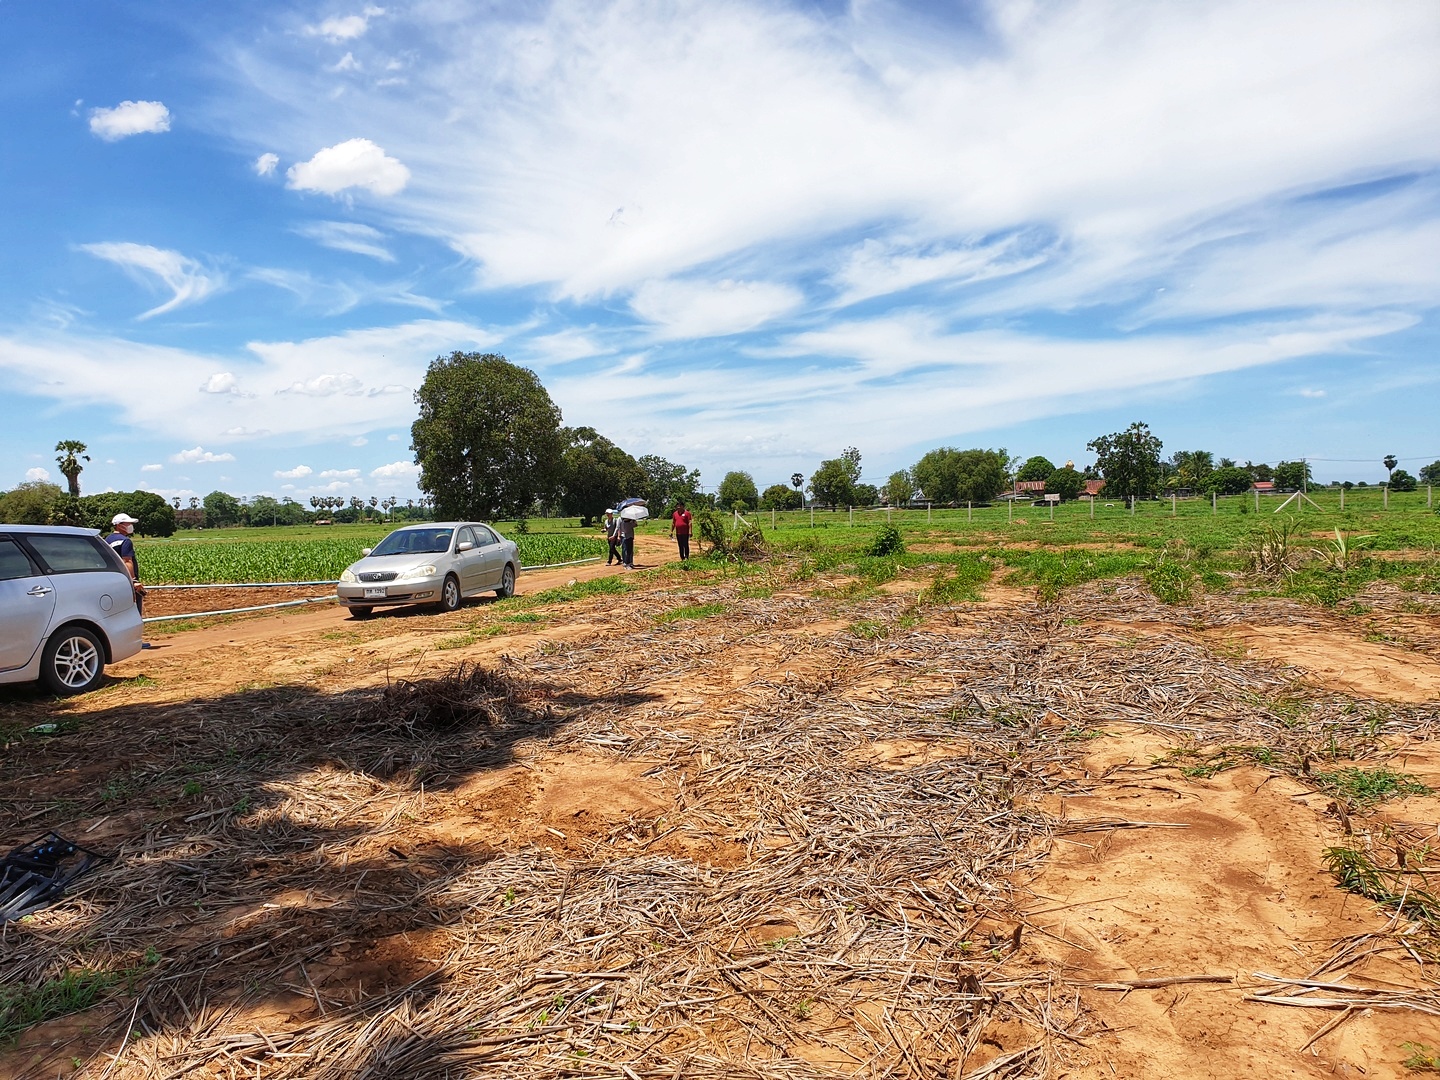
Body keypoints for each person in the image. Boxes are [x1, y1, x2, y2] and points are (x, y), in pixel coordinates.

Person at [105, 513, 149, 639]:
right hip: (126, 581)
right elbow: (127, 561)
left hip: (113, 580)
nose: (130, 526)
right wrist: (134, 581)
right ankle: (134, 640)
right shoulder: (125, 541)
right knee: (134, 611)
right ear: (119, 525)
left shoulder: (107, 540)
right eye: (128, 524)